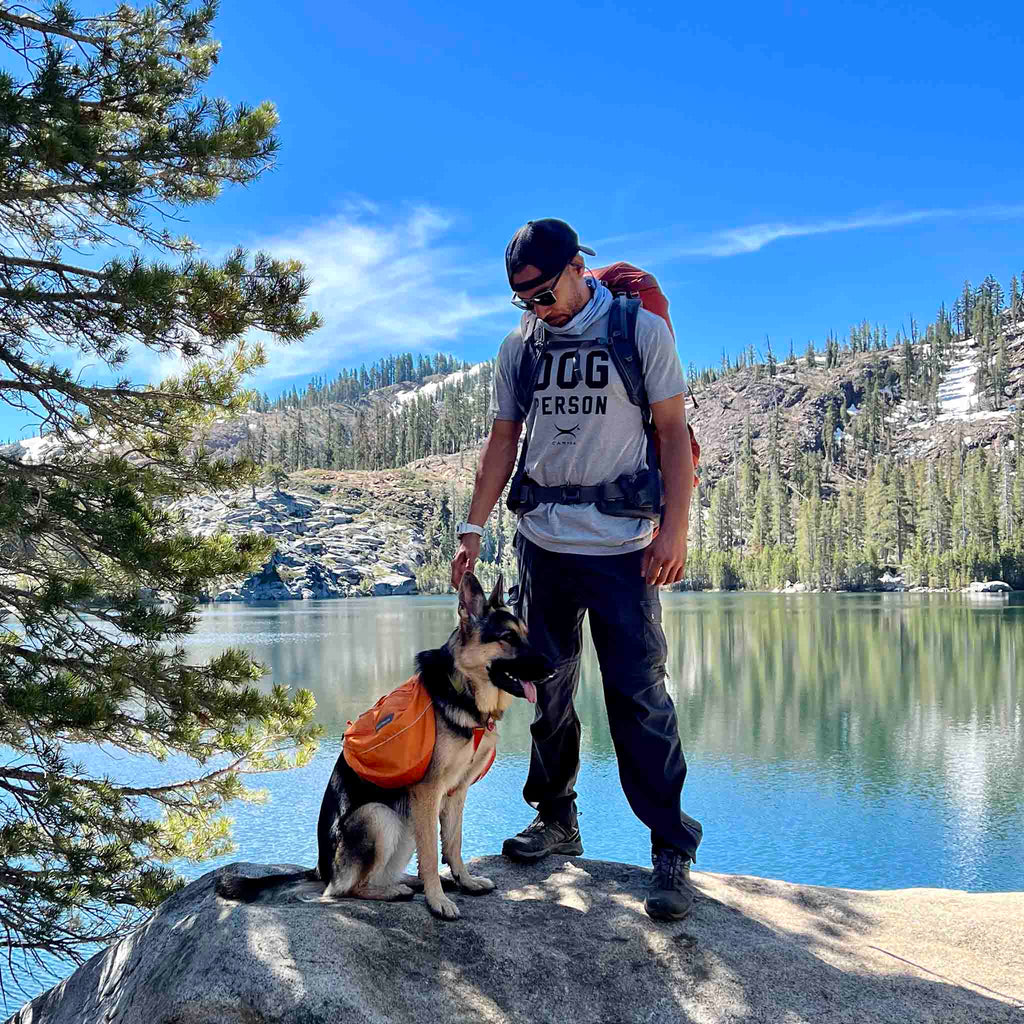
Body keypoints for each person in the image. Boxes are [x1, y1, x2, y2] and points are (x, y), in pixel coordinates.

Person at [449, 218, 703, 921]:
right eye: (522, 301)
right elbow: (504, 441)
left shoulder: (635, 332)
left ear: (575, 268)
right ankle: (557, 818)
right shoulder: (522, 348)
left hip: (623, 549)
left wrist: (674, 529)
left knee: (638, 698)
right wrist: (474, 527)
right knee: (545, 689)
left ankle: (670, 849)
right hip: (545, 545)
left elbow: (674, 433)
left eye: (543, 294)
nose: (537, 309)